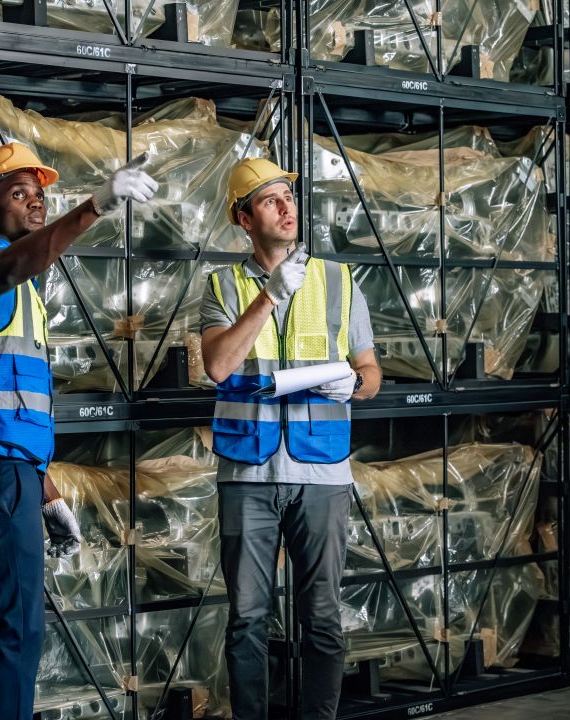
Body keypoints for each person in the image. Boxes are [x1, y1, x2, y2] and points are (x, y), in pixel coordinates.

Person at [0, 142, 158, 719]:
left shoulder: (22, 293)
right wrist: (96, 205)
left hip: (10, 470)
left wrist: (43, 483)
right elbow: (18, 261)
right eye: (17, 192)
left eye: (39, 192)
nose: (34, 201)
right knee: (17, 623)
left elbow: (9, 397)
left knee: (19, 620)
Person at [200, 157, 381, 720]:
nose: (286, 208)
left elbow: (371, 372)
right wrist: (269, 296)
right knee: (248, 617)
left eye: (288, 197)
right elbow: (218, 366)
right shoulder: (222, 285)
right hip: (248, 475)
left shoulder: (338, 280)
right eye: (270, 200)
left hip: (322, 472)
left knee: (323, 615)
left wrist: (353, 387)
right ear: (243, 217)